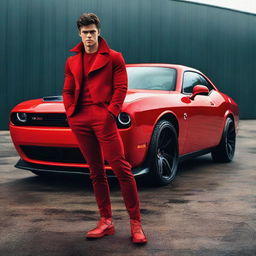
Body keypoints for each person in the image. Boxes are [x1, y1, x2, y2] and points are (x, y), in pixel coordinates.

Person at [62, 13, 147, 244]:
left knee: (121, 168)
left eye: (92, 32)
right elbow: (68, 90)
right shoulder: (72, 61)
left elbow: (121, 89)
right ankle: (106, 221)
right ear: (79, 34)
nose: (89, 36)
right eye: (84, 33)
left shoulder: (114, 58)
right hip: (80, 119)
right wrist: (71, 113)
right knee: (96, 171)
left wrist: (111, 113)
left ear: (98, 31)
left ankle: (135, 223)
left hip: (104, 118)